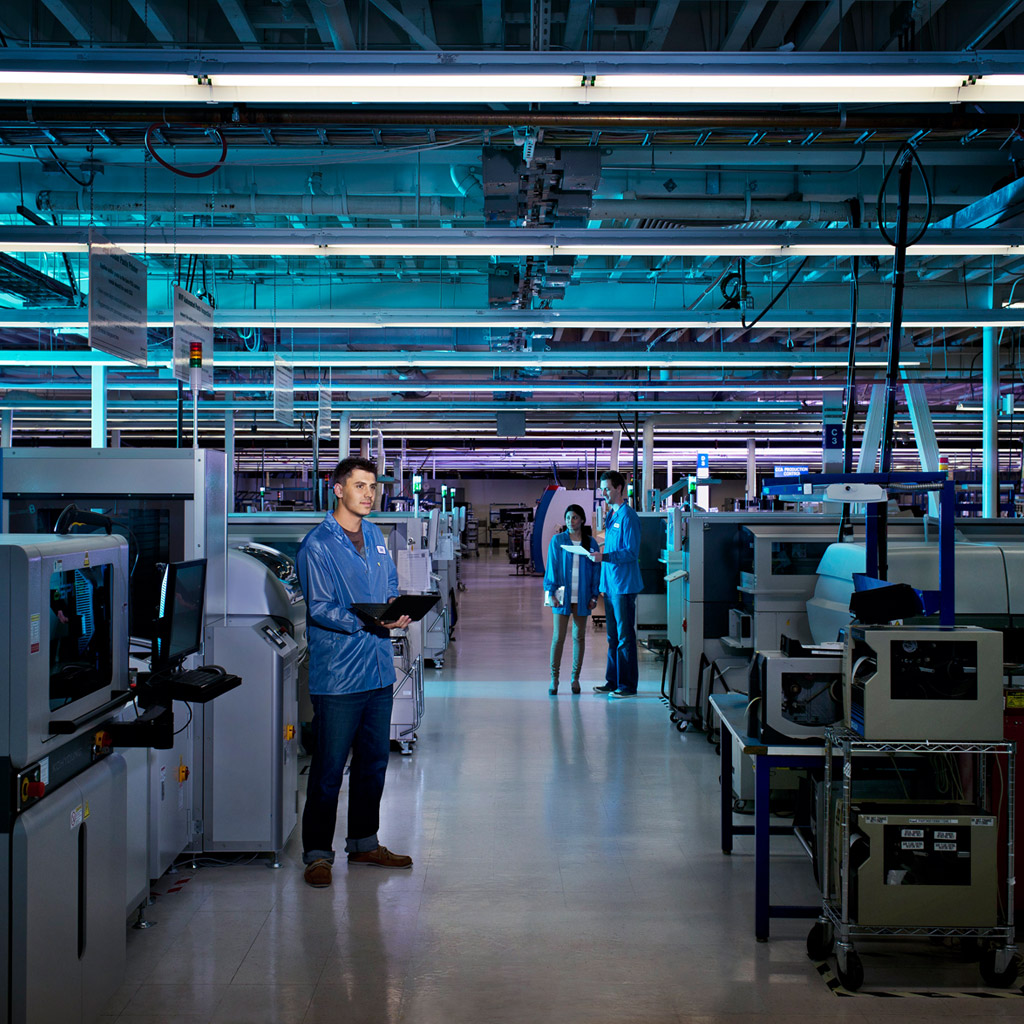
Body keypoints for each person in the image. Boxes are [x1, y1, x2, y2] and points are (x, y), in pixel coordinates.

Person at [295, 456, 414, 888]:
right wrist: (369, 620)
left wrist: (398, 612)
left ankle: (364, 843)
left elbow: (388, 589)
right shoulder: (318, 545)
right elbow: (320, 607)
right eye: (360, 485)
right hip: (340, 675)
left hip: (378, 670)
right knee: (329, 769)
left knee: (373, 764)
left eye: (373, 486)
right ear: (337, 488)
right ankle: (317, 854)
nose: (368, 493)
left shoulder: (378, 537)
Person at [593, 471, 643, 698]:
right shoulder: (612, 516)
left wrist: (604, 557)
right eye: (602, 488)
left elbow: (631, 552)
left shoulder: (628, 517)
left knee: (624, 638)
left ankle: (627, 686)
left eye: (607, 488)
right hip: (611, 585)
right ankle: (612, 681)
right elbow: (611, 549)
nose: (603, 492)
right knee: (612, 637)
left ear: (620, 488)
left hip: (623, 586)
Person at [543, 504, 600, 695]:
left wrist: (594, 595)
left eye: (574, 517)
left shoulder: (590, 543)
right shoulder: (557, 541)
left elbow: (595, 571)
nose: (570, 521)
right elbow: (552, 567)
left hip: (582, 596)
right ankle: (555, 679)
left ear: (582, 520)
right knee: (558, 637)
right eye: (568, 518)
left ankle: (575, 679)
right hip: (562, 596)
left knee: (579, 637)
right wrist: (551, 592)